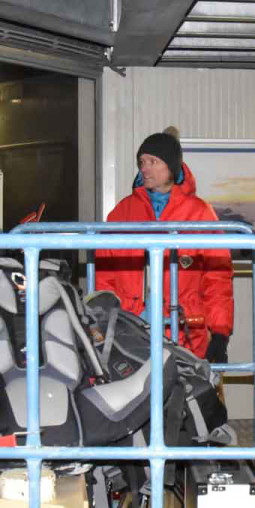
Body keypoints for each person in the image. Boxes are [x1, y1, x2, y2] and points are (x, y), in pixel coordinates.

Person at [96, 130, 233, 361]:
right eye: (142, 162)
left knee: (183, 395)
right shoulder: (123, 212)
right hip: (130, 331)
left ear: (171, 166)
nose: (145, 168)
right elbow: (104, 276)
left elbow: (217, 277)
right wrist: (103, 322)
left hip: (184, 332)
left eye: (153, 162)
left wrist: (219, 332)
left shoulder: (199, 213)